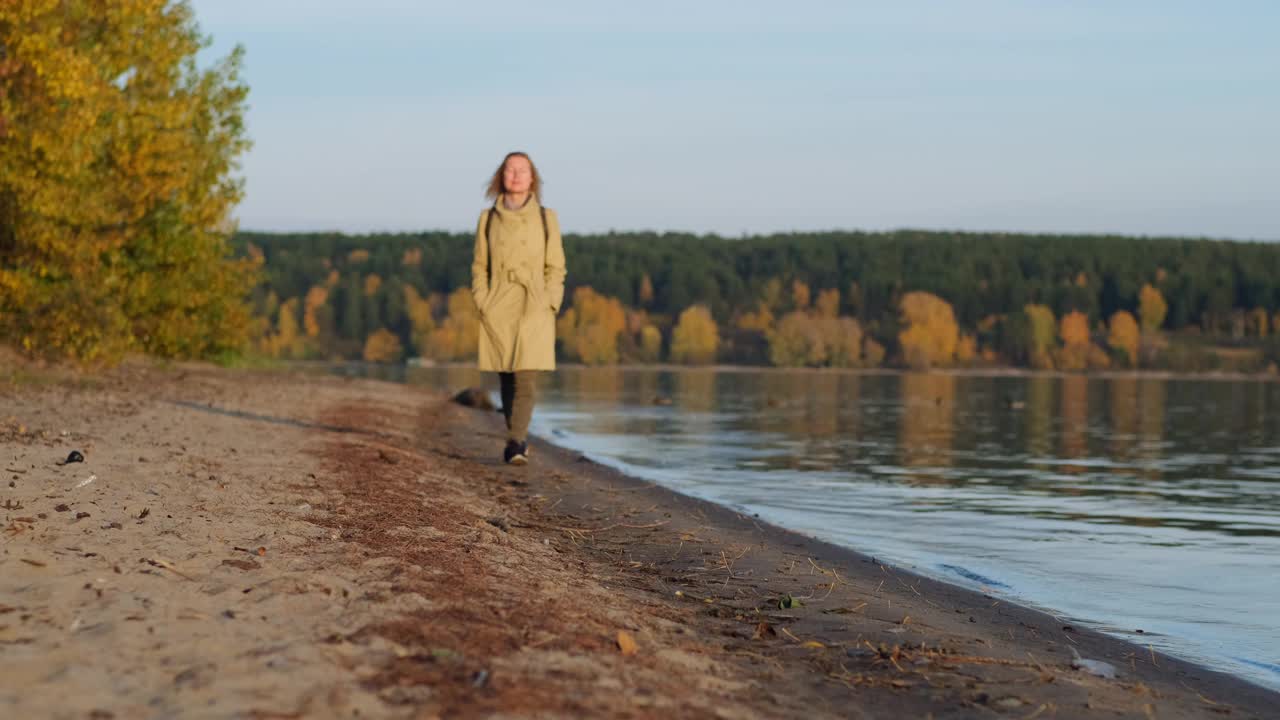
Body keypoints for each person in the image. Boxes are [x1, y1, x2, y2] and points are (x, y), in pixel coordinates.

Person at [471, 151, 566, 465]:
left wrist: (551, 299)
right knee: (507, 376)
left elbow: (556, 264)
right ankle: (516, 436)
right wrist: (482, 299)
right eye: (510, 169)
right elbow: (479, 265)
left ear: (532, 178)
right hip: (498, 302)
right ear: (501, 176)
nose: (516, 175)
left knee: (526, 375)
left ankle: (515, 441)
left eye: (522, 170)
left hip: (533, 302)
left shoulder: (545, 217)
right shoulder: (487, 219)